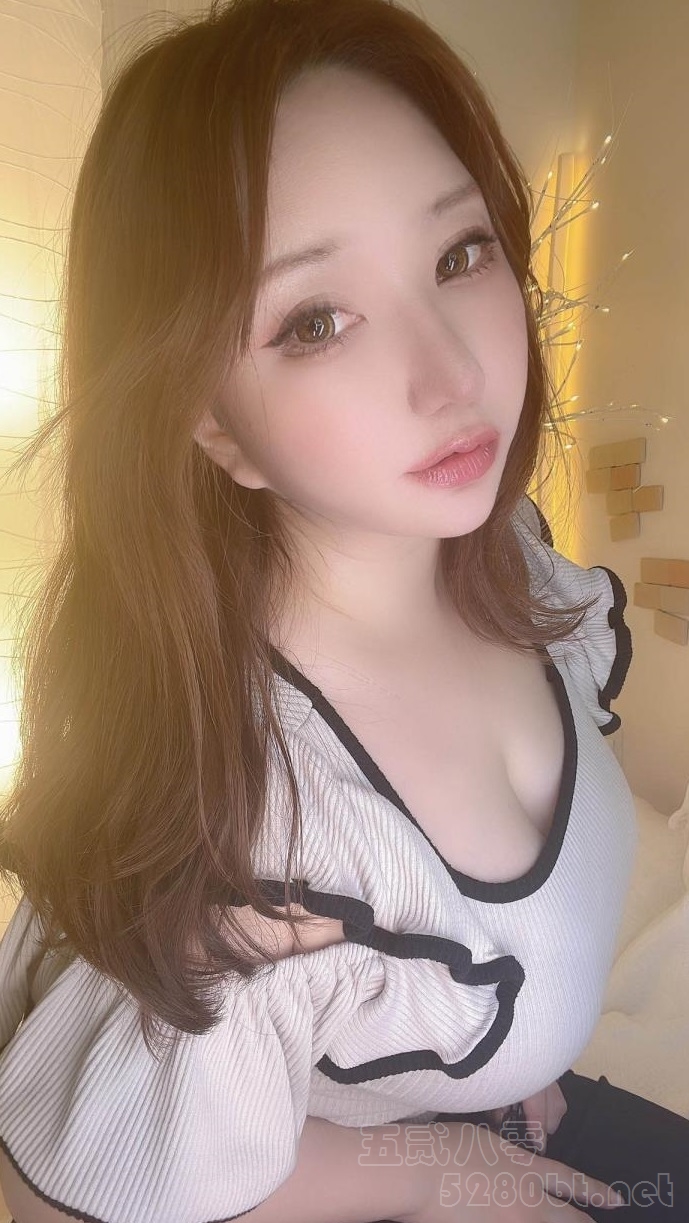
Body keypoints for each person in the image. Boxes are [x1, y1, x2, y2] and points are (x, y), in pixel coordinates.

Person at [0, 0, 687, 1220]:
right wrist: (427, 1168)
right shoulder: (250, 820)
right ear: (209, 422)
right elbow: (54, 1186)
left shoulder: (514, 565)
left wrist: (482, 1050)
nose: (451, 372)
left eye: (458, 253)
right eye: (314, 321)